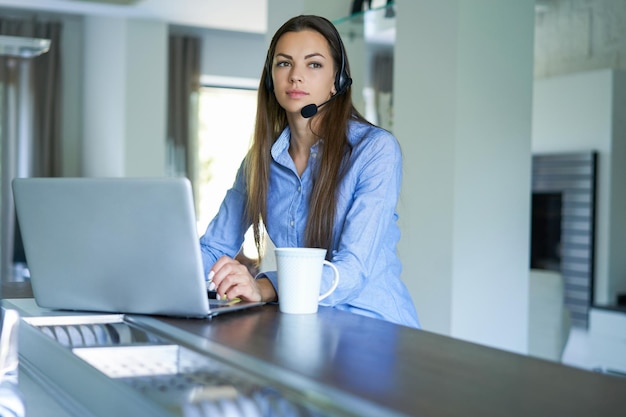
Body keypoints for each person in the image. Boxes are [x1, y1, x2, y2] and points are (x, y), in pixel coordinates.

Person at [199, 15, 420, 328]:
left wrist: (266, 286)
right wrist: (164, 282)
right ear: (269, 78)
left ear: (337, 81)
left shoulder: (374, 150)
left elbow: (352, 272)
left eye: (313, 64)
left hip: (373, 328)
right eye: (284, 63)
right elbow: (214, 246)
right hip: (304, 326)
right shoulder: (259, 161)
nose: (296, 77)